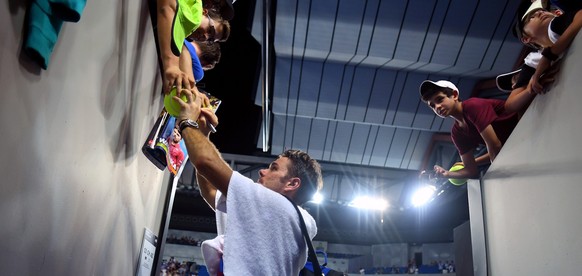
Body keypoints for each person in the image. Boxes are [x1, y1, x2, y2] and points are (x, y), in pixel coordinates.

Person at [173, 88, 324, 275]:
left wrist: (187, 121)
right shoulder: (276, 218)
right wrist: (203, 137)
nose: (262, 171)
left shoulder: (277, 207)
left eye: (274, 168)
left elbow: (206, 162)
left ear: (292, 184)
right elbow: (211, 191)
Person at [419, 80, 519, 180]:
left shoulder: (472, 106)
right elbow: (470, 171)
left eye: (440, 99)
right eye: (432, 106)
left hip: (527, 124)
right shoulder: (456, 133)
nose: (437, 107)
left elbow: (495, 145)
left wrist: (499, 175)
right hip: (516, 143)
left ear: (454, 95)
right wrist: (446, 174)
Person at [156, 0, 231, 94]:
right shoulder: (193, 19)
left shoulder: (183, 32)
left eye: (210, 40)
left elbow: (182, 49)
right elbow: (167, 7)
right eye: (210, 30)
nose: (206, 37)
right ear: (204, 12)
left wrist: (193, 90)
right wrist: (171, 65)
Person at [514, 0, 582, 94]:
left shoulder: (554, 28)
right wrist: (536, 84)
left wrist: (549, 55)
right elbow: (510, 105)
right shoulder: (535, 60)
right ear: (526, 39)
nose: (539, 13)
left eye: (543, 10)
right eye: (531, 17)